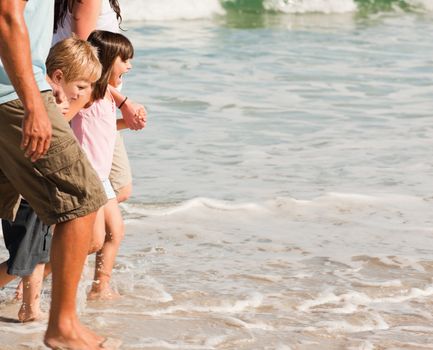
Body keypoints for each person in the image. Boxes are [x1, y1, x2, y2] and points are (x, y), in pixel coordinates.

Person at [0, 2, 111, 349]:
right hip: (14, 95)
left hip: (17, 88)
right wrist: (34, 102)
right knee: (83, 197)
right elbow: (7, 16)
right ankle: (63, 325)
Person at [54, 0, 146, 204]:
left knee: (117, 188)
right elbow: (82, 59)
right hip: (90, 94)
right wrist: (124, 102)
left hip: (97, 94)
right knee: (114, 188)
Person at [70, 30, 133, 300]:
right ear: (107, 61)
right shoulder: (88, 95)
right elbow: (64, 123)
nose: (129, 66)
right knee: (91, 242)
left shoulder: (109, 97)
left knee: (115, 232)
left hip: (102, 178)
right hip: (87, 178)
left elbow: (104, 128)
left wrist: (127, 123)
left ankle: (99, 287)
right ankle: (35, 271)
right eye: (124, 59)